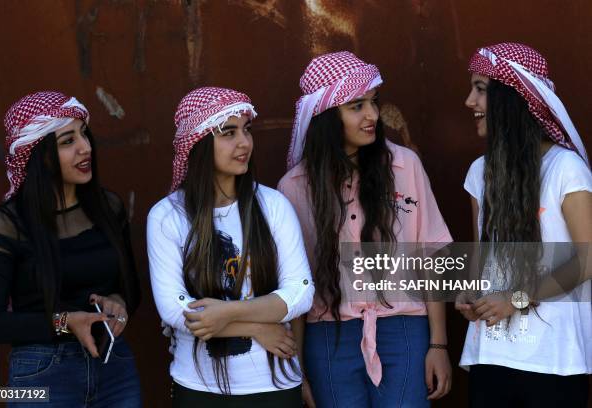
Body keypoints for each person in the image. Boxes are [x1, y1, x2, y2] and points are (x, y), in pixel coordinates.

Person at [278, 51, 452, 407]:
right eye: (356, 106)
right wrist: (299, 372)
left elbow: (432, 253)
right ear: (326, 117)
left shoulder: (405, 166)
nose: (372, 115)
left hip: (403, 329)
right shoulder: (294, 187)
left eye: (373, 102)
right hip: (328, 336)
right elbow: (293, 284)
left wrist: (438, 344)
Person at [147, 87, 314, 407]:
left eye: (246, 130)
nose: (244, 142)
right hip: (199, 388)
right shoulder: (168, 216)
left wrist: (228, 312)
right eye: (228, 132)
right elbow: (173, 307)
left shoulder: (273, 205)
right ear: (197, 142)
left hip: (273, 388)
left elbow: (301, 291)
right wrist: (256, 328)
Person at [0, 91, 142, 407]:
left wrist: (119, 301)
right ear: (36, 154)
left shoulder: (108, 207)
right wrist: (65, 322)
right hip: (41, 375)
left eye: (84, 134)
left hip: (115, 370)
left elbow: (131, 287)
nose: (86, 148)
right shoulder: (10, 223)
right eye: (68, 141)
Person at [456, 42, 592, 407]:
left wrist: (515, 299)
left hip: (556, 360)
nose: (470, 101)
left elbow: (586, 261)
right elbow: (481, 260)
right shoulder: (479, 172)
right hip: (491, 353)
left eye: (481, 90)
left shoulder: (566, 169)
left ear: (514, 99)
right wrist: (470, 295)